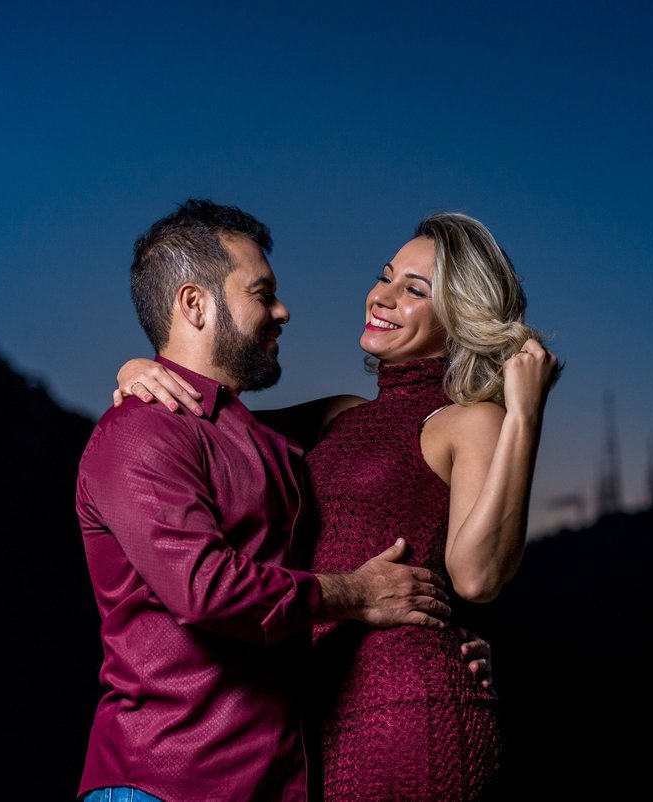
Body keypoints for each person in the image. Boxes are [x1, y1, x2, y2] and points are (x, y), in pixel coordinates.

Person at [115, 211, 560, 801]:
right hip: (313, 721)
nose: (382, 296)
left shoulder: (469, 421)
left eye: (415, 289)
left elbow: (476, 577)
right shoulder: (341, 415)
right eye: (386, 276)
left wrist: (524, 415)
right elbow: (207, 420)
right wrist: (140, 370)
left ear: (460, 317)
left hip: (409, 713)